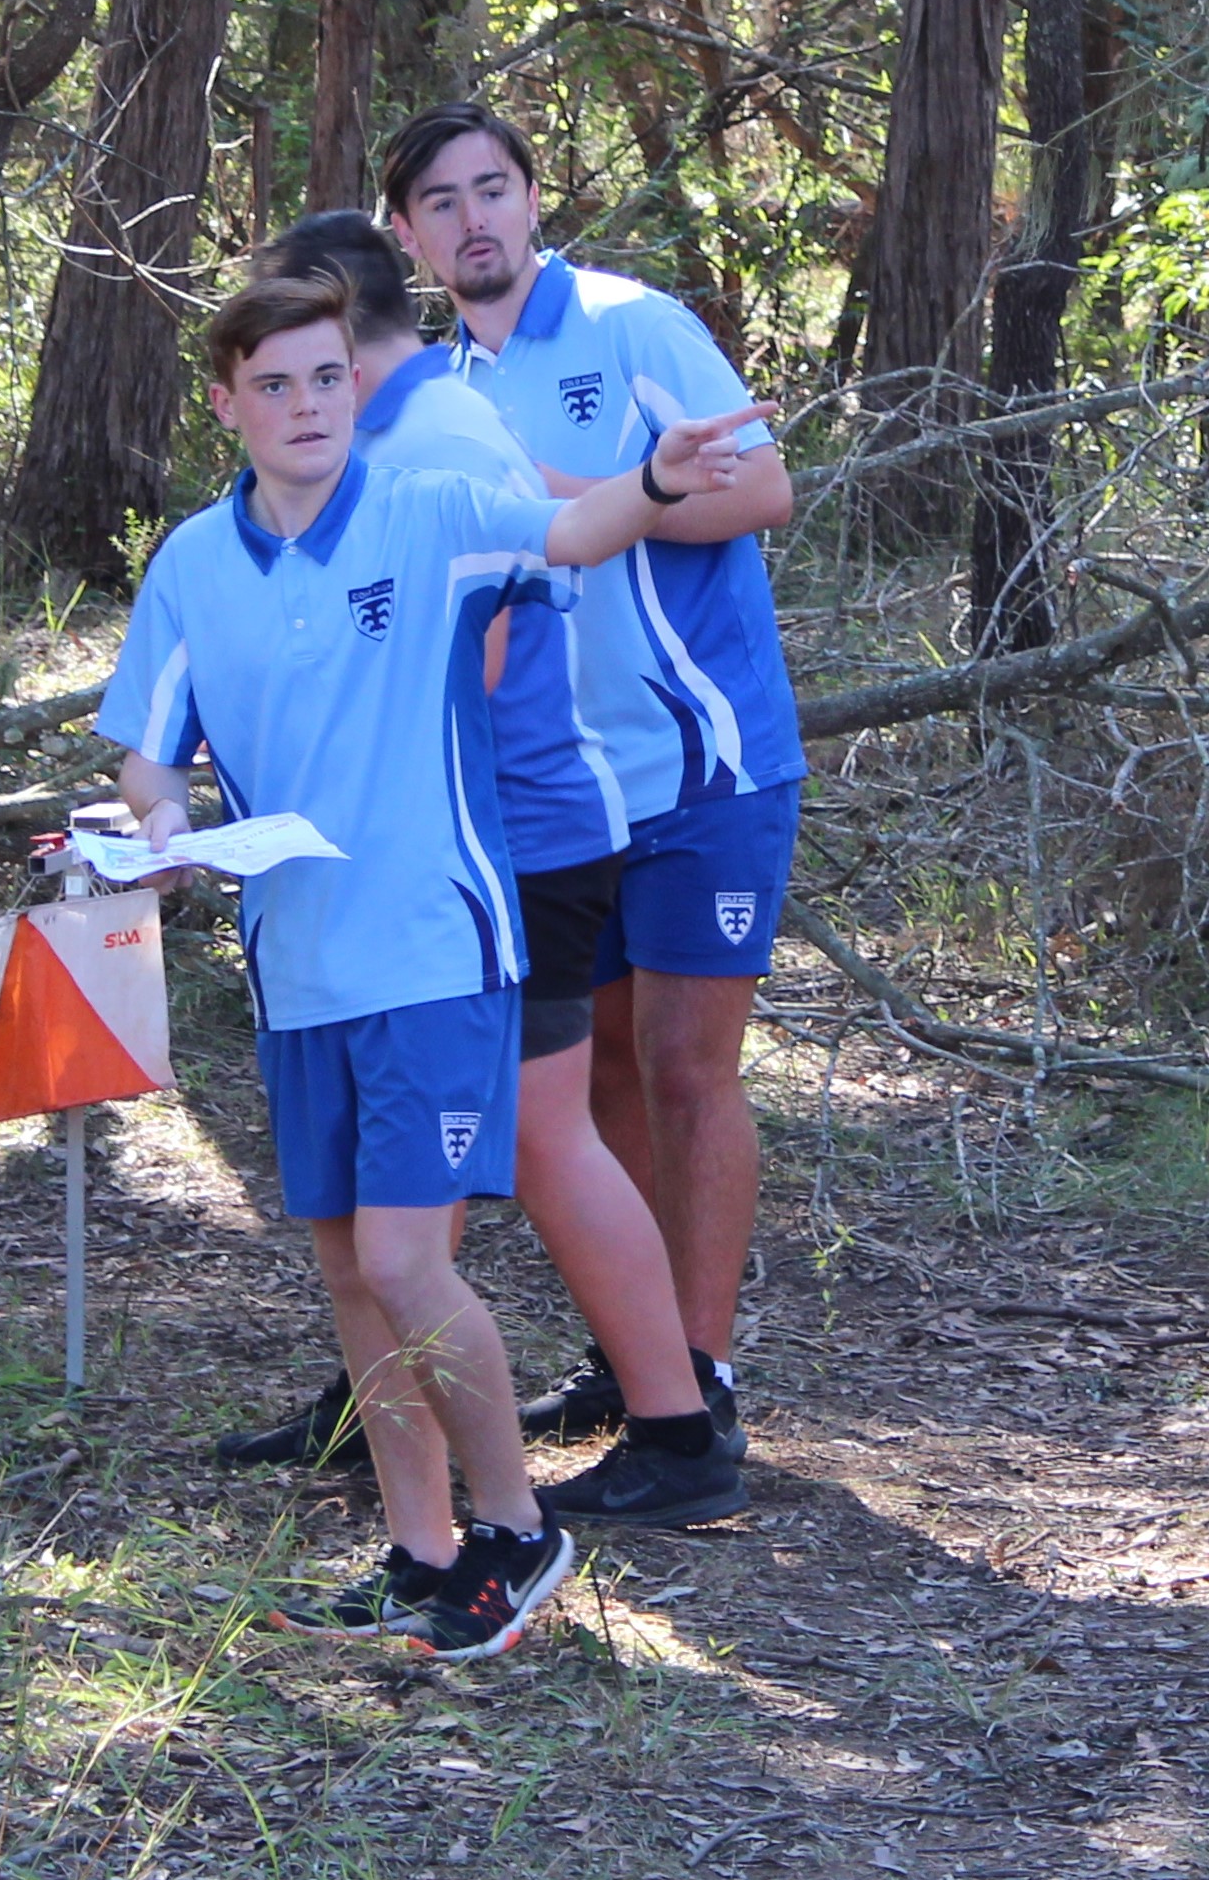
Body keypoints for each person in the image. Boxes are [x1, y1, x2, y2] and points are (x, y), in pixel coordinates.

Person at [102, 270, 760, 1656]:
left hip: (437, 954)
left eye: (328, 378)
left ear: (359, 382)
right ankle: (419, 1547)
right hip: (300, 967)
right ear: (224, 404)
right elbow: (151, 753)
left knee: (409, 1257)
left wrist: (654, 475)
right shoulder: (191, 566)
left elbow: (573, 528)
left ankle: (517, 1531)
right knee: (352, 1275)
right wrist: (160, 831)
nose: (306, 406)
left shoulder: (430, 510)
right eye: (273, 384)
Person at [376, 102, 802, 1460]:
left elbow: (765, 490)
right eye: (442, 202)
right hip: (567, 790)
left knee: (690, 1066)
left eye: (493, 189)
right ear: (408, 236)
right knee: (601, 1068)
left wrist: (585, 491)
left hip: (705, 762)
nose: (474, 219)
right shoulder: (435, 387)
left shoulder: (631, 324)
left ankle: (706, 1370)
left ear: (534, 195)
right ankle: (641, 1363)